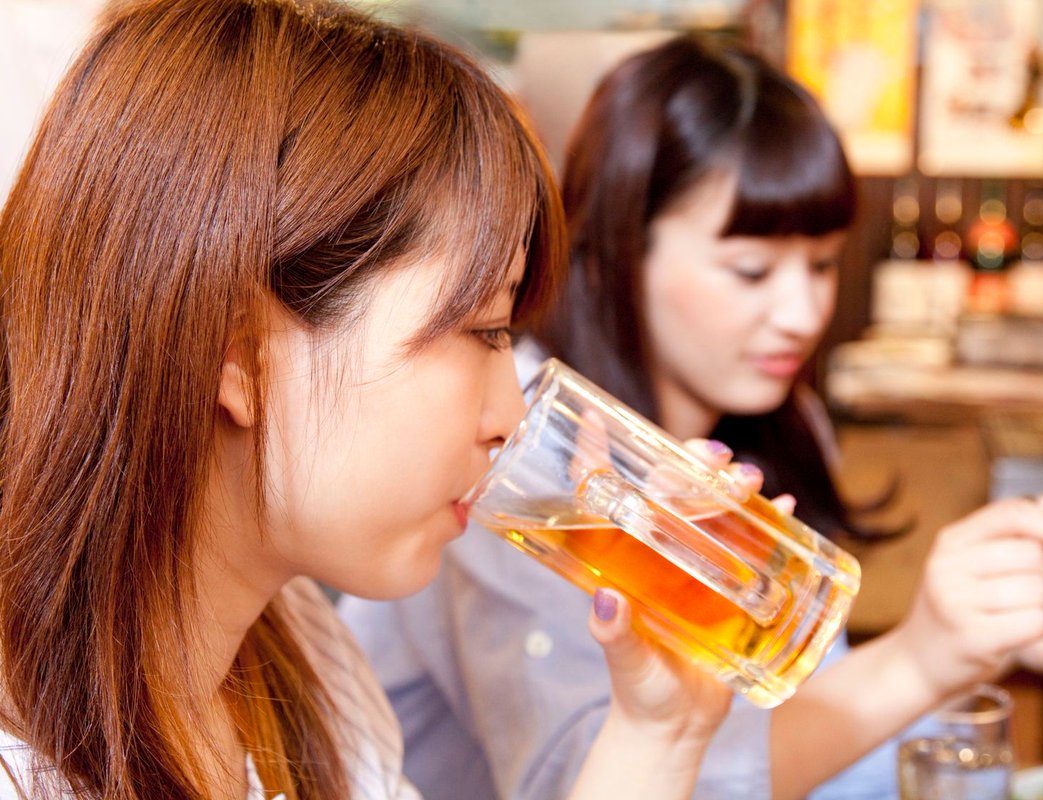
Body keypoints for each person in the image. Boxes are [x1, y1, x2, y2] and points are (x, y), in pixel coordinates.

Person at [339, 34, 1043, 800]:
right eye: (752, 269)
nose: (802, 312)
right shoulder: (522, 456)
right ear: (624, 249)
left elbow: (793, 690)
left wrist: (1009, 622)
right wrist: (923, 655)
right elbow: (585, 777)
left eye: (824, 263)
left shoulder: (766, 409)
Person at [0, 5, 753, 798]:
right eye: (484, 329)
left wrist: (659, 728)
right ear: (238, 354)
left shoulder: (308, 676)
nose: (512, 419)